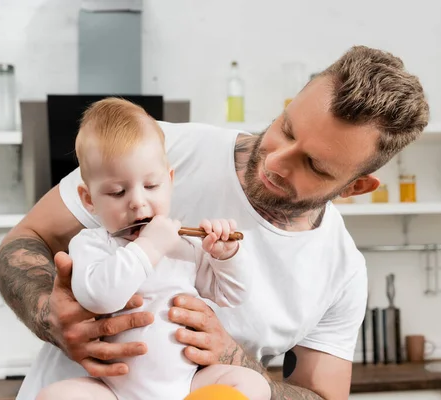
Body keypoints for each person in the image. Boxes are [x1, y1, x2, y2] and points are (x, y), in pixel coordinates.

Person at [0, 45, 429, 400]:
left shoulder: (342, 272)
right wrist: (49, 314)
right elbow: (25, 240)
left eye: (313, 164)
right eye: (287, 128)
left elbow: (321, 398)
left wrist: (233, 358)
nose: (276, 161)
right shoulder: (156, 154)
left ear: (355, 187)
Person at [34, 98, 270, 400]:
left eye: (151, 186)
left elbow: (232, 294)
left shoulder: (185, 245)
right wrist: (149, 247)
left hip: (188, 387)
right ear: (89, 199)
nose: (137, 202)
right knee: (55, 396)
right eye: (117, 192)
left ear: (169, 181)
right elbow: (99, 296)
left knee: (253, 384)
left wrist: (226, 257)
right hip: (116, 391)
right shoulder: (92, 244)